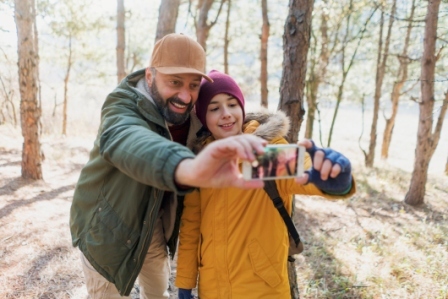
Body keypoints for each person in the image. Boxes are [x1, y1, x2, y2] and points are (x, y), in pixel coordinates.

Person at [69, 34, 268, 299]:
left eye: (193, 85)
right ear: (150, 76)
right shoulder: (123, 105)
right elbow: (126, 138)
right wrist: (185, 167)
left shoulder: (196, 117)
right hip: (107, 229)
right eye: (174, 82)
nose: (185, 96)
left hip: (154, 227)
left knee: (158, 293)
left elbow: (229, 115)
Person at [175, 70, 356, 299]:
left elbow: (302, 174)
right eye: (214, 108)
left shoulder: (263, 152)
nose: (226, 114)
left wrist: (333, 181)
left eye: (232, 104)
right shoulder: (201, 163)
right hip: (212, 288)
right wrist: (185, 282)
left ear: (241, 108)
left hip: (262, 287)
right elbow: (191, 226)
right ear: (203, 117)